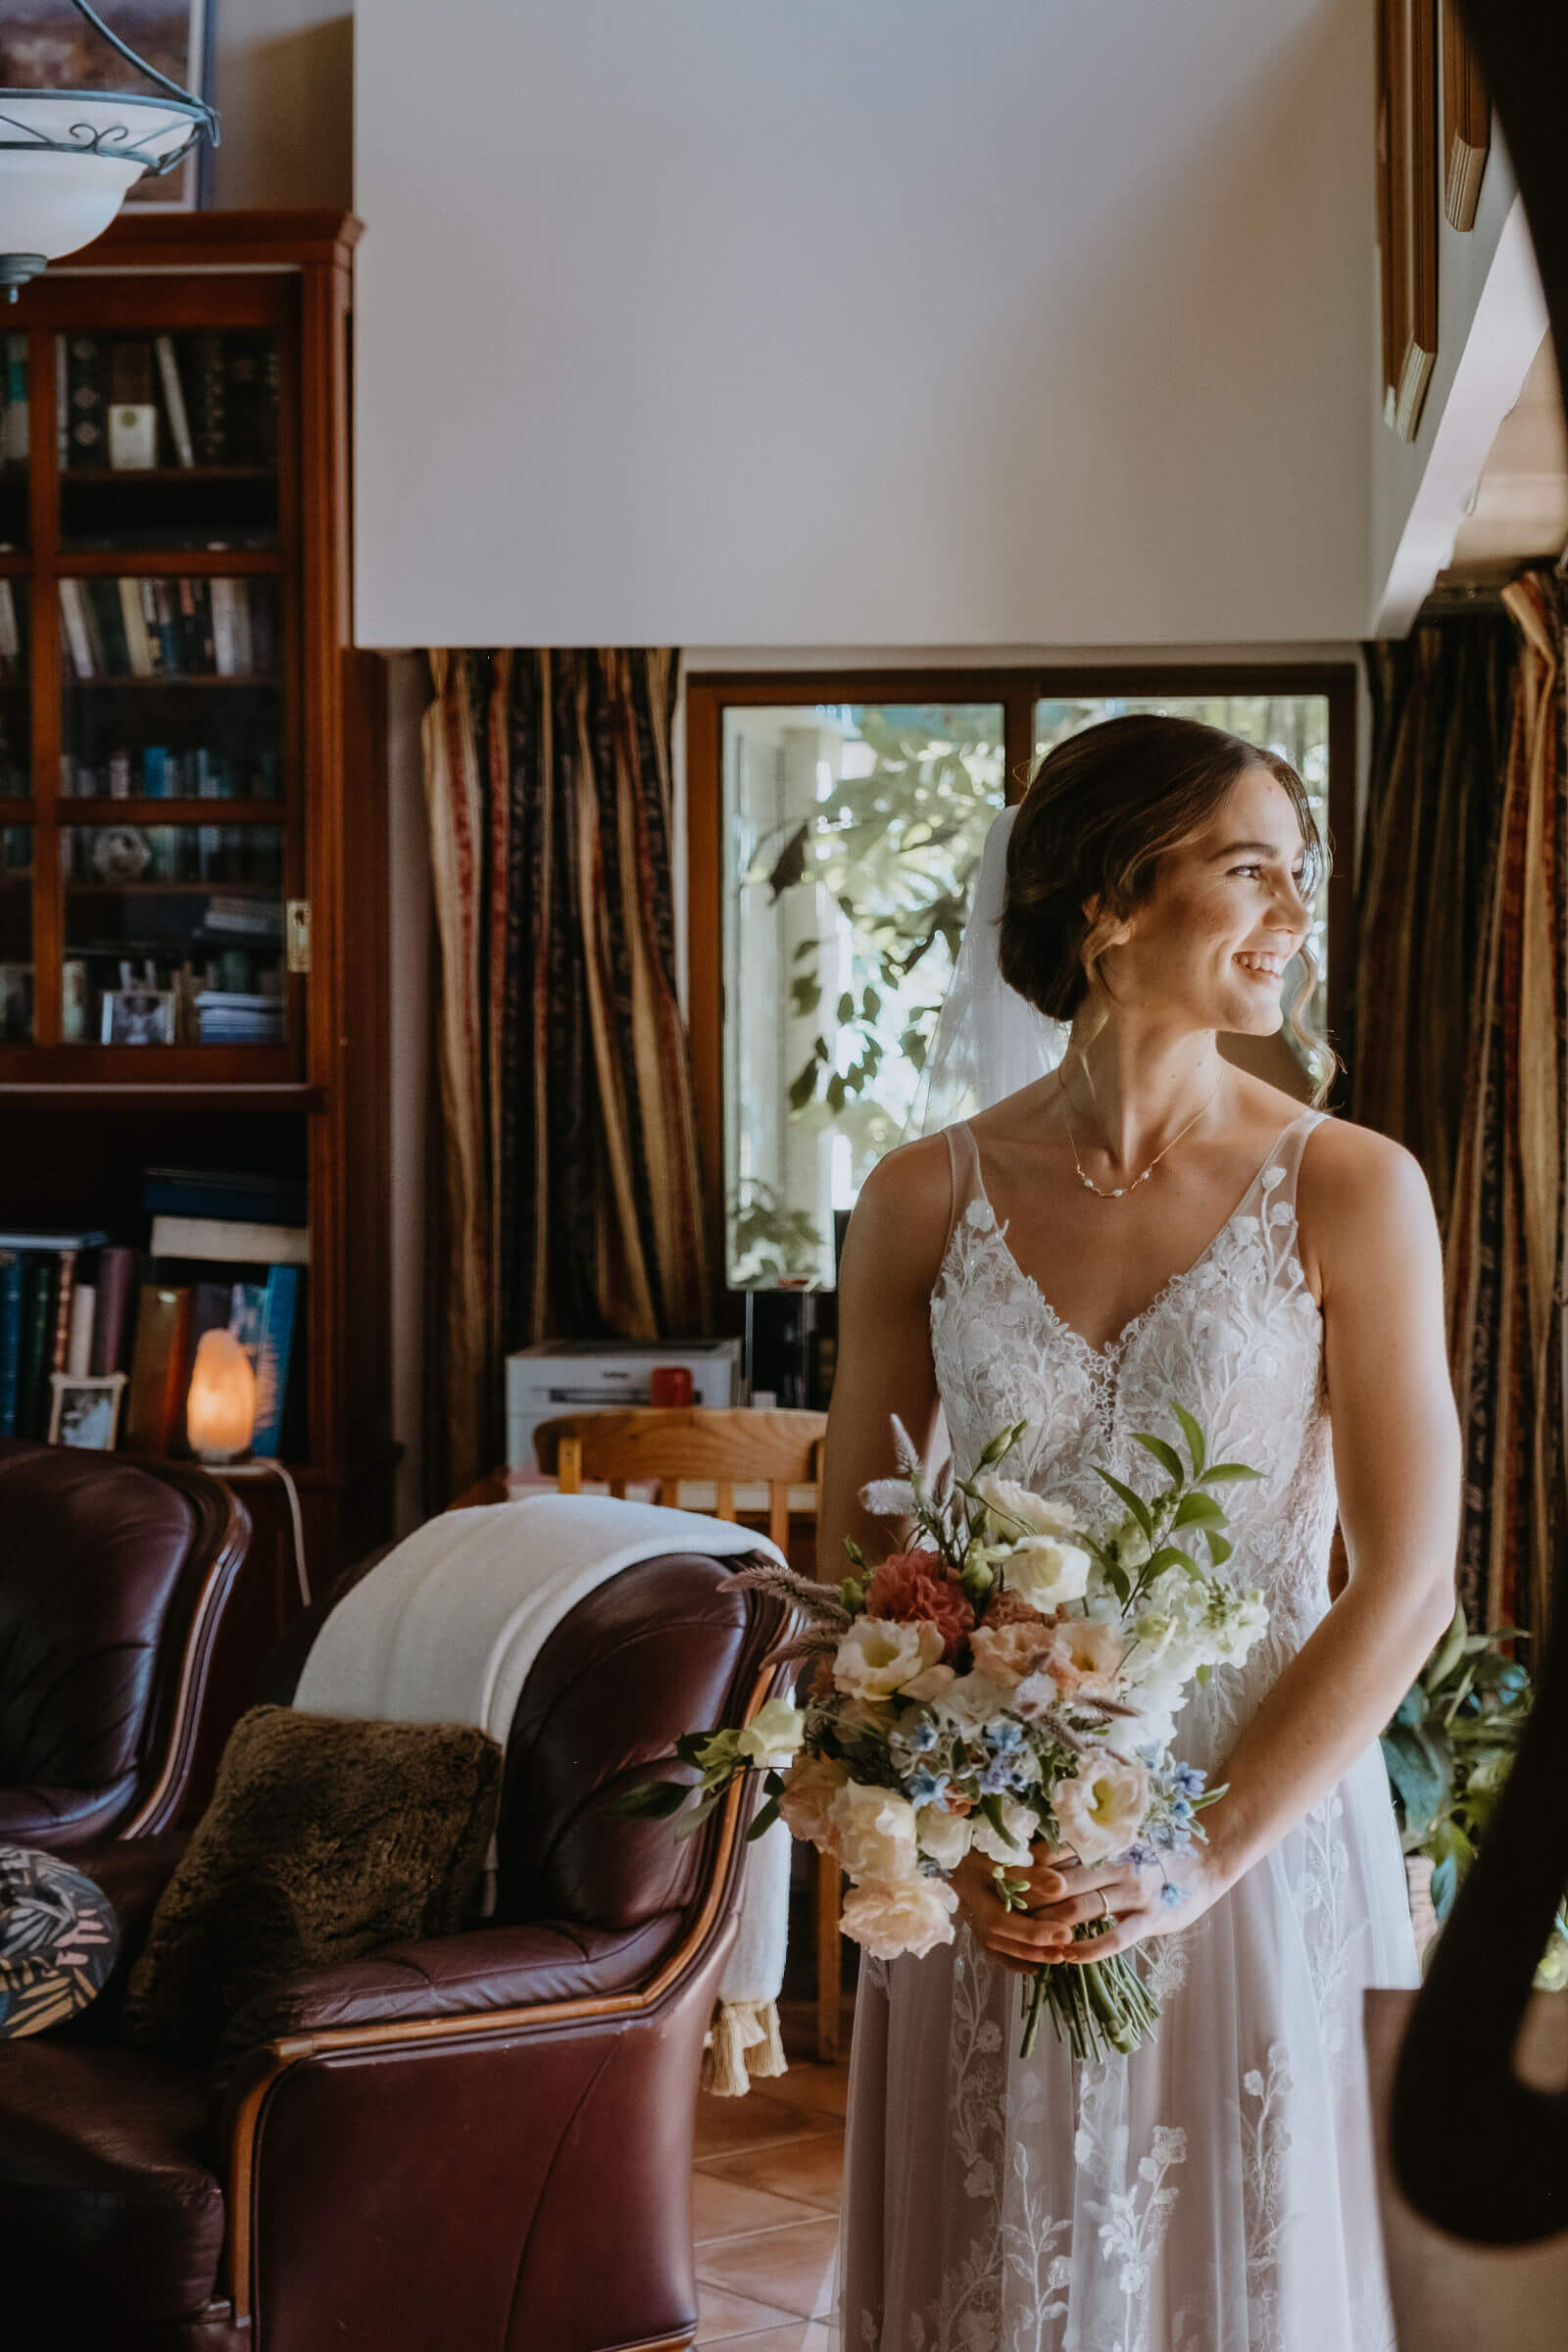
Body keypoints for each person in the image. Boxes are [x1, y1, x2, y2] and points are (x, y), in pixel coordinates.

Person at [819, 714, 1460, 2352]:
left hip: (1248, 1835)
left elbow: (1407, 1581)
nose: (1293, 916)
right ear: (1113, 900)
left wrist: (1203, 1849)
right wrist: (938, 1835)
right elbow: (860, 1573)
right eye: (1253, 871)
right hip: (1000, 1854)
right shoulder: (917, 1196)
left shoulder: (1352, 1187)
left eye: (1296, 877)